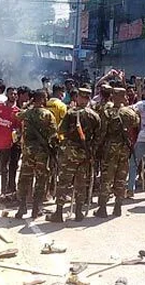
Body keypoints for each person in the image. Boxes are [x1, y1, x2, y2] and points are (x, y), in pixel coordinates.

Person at [48, 87, 101, 222]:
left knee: (64, 182)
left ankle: (59, 213)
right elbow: (98, 137)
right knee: (81, 183)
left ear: (78, 97)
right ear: (88, 98)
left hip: (69, 153)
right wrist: (92, 151)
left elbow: (61, 131)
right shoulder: (94, 116)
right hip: (85, 154)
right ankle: (78, 212)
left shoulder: (71, 114)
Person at [95, 87, 140, 218]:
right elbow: (136, 123)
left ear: (113, 97)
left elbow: (102, 132)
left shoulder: (107, 113)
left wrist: (97, 148)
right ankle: (118, 207)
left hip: (110, 149)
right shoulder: (129, 112)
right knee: (121, 177)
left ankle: (102, 208)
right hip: (124, 149)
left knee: (107, 178)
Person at [15, 89, 57, 219]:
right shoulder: (48, 115)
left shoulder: (26, 113)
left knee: (24, 178)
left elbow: (17, 115)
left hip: (28, 151)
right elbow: (54, 135)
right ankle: (36, 209)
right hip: (42, 153)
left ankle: (22, 207)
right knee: (41, 179)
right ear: (44, 99)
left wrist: (29, 104)